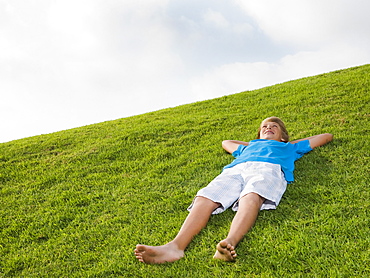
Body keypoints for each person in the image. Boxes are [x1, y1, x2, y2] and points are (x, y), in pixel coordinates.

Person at [134, 117, 333, 264]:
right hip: (236, 170)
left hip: (267, 169)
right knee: (205, 197)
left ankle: (229, 243)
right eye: (264, 127)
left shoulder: (289, 147)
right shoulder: (247, 148)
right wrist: (256, 143)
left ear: (283, 136)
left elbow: (326, 136)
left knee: (251, 197)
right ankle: (175, 247)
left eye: (274, 127)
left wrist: (288, 143)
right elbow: (226, 143)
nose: (268, 128)